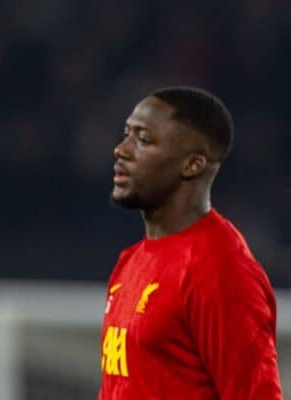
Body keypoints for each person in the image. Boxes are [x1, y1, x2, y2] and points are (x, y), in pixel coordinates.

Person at [98, 86, 282, 399]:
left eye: (143, 140)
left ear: (192, 165)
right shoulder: (131, 260)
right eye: (126, 134)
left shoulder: (219, 270)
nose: (122, 150)